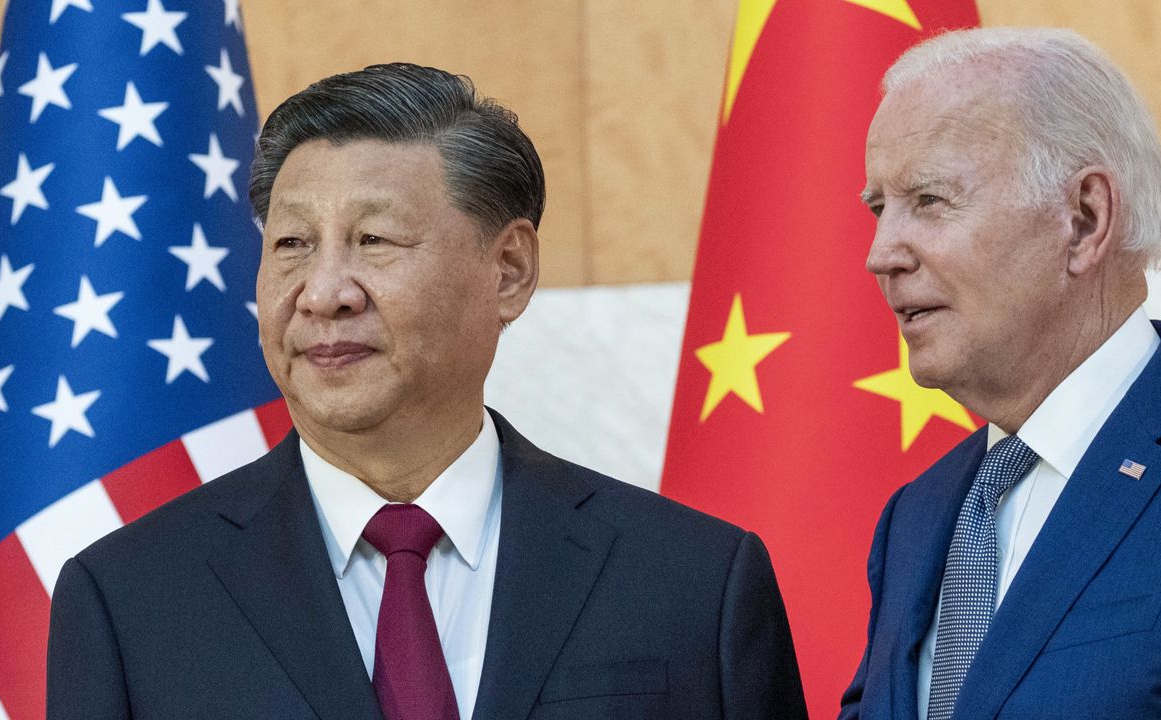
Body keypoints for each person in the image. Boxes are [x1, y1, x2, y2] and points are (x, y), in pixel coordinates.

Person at [46, 63, 807, 719]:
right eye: (291, 245)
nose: (324, 292)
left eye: (373, 240)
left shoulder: (694, 580)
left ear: (508, 270)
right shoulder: (128, 601)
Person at [840, 27, 1161, 720]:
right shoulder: (916, 515)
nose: (881, 254)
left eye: (928, 201)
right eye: (879, 208)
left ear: (1083, 219)